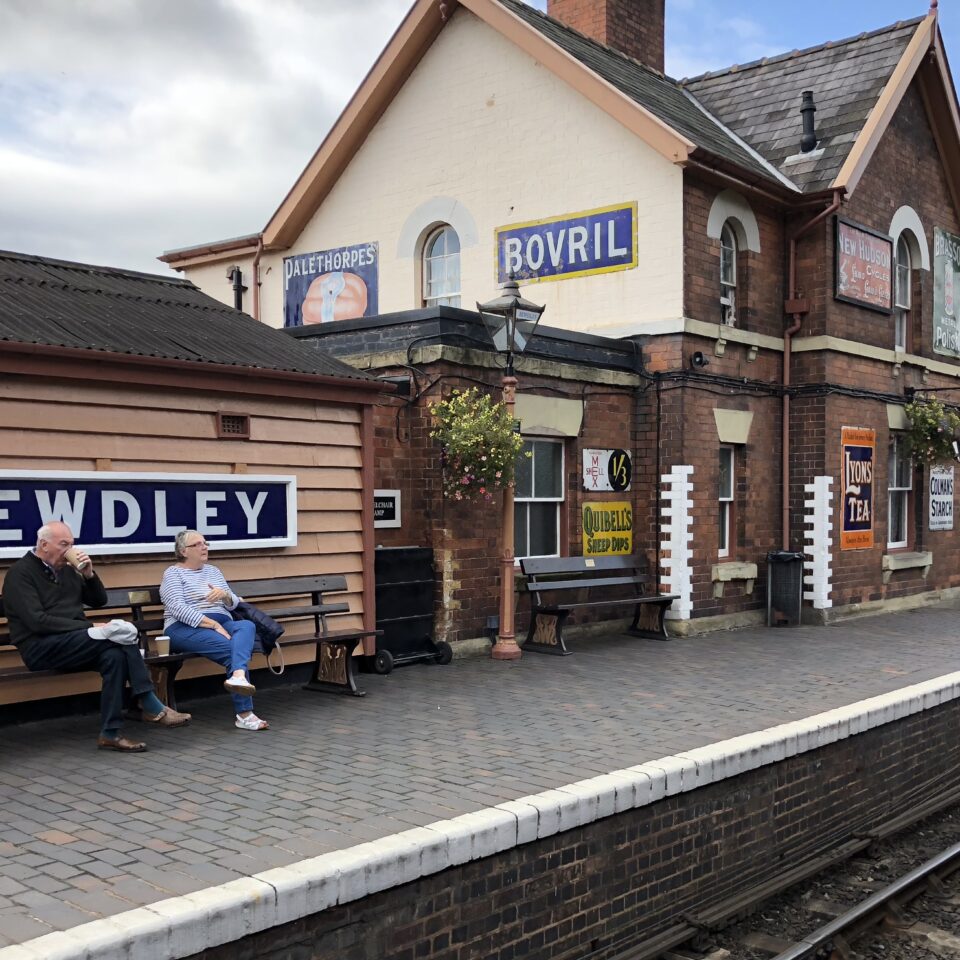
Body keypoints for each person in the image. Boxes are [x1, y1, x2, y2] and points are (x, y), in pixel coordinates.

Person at [2, 521, 191, 752]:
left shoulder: (68, 570)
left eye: (71, 544)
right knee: (117, 636)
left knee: (114, 656)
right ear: (44, 544)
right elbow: (37, 622)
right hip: (40, 647)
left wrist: (89, 575)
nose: (70, 549)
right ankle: (149, 703)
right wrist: (91, 628)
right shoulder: (20, 574)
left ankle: (110, 733)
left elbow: (98, 600)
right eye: (64, 544)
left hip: (76, 642)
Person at [160, 530, 269, 731]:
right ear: (184, 551)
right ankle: (244, 714)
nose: (205, 547)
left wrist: (225, 595)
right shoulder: (173, 573)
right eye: (198, 544)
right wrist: (212, 624)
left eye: (205, 543)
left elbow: (234, 603)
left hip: (222, 620)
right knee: (232, 650)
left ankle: (238, 675)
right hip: (184, 627)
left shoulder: (213, 571)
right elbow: (177, 608)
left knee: (247, 626)